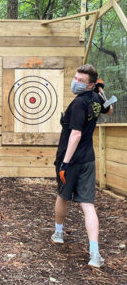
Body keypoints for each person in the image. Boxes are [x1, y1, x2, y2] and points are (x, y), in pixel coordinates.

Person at [51, 64, 113, 268]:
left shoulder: (79, 103)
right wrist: (101, 91)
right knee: (88, 205)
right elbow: (109, 109)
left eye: (81, 80)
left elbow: (75, 135)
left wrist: (65, 163)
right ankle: (95, 253)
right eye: (75, 78)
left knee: (62, 195)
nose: (76, 82)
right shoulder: (96, 98)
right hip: (88, 159)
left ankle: (59, 233)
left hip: (72, 159)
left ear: (90, 84)